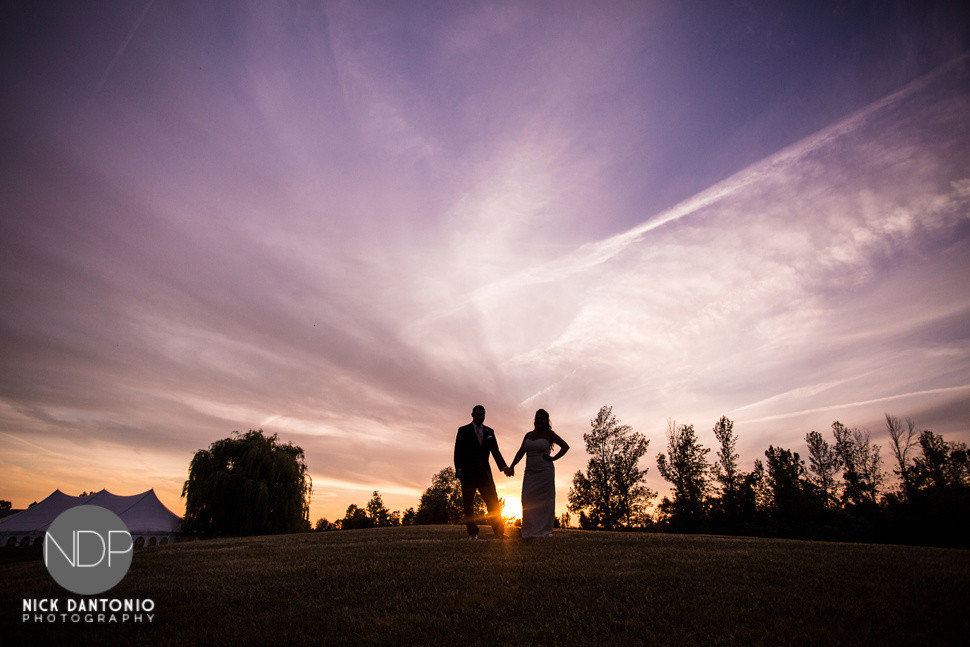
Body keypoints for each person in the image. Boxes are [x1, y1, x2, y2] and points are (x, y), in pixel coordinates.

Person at [508, 409, 569, 539]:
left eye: (542, 418)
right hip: (530, 472)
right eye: (537, 418)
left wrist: (553, 458)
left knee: (545, 502)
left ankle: (543, 531)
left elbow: (565, 446)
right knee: (527, 499)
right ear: (534, 419)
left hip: (545, 472)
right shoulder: (528, 435)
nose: (539, 420)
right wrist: (512, 465)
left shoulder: (550, 434)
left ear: (546, 421)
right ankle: (529, 531)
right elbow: (521, 451)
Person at [454, 405, 511, 539]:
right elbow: (458, 451)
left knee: (493, 502)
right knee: (468, 503)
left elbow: (495, 452)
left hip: (484, 473)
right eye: (479, 414)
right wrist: (459, 469)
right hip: (468, 473)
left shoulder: (489, 431)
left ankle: (499, 532)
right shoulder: (463, 431)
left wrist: (504, 468)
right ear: (472, 414)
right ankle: (472, 533)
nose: (481, 417)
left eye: (483, 415)